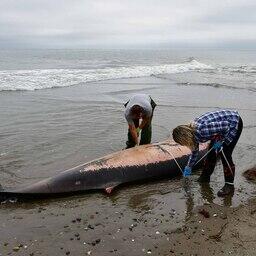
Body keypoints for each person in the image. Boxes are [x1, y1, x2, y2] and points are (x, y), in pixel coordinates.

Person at [172, 109, 243, 197]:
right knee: (212, 153)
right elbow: (194, 152)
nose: (184, 145)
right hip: (219, 129)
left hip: (233, 123)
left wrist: (221, 141)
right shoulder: (193, 135)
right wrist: (189, 167)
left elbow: (225, 126)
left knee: (225, 153)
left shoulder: (202, 130)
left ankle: (229, 185)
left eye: (183, 143)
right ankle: (205, 178)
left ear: (185, 138)